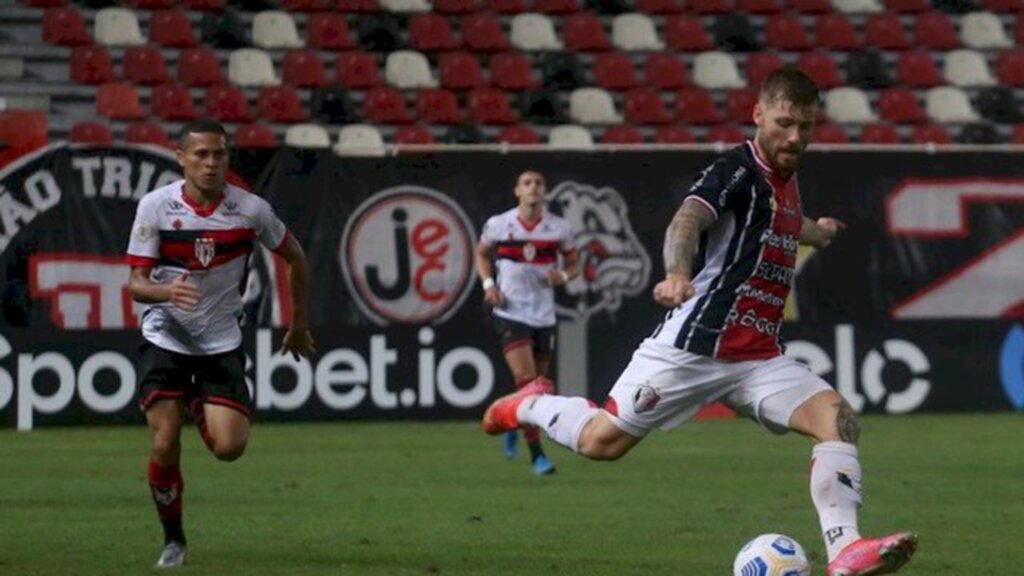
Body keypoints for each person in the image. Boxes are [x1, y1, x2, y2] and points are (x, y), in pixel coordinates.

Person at [481, 70, 917, 576]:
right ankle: (528, 403)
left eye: (805, 125)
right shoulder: (735, 170)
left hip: (757, 357)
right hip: (693, 347)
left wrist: (817, 233)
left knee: (837, 419)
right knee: (601, 443)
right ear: (758, 115)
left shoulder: (786, 178)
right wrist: (676, 273)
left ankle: (845, 550)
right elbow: (687, 220)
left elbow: (782, 222)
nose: (795, 136)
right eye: (783, 123)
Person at [126, 119, 316, 568]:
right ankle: (173, 539)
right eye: (201, 155)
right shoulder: (155, 207)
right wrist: (165, 291)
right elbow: (136, 283)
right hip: (166, 337)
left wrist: (298, 322)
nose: (211, 163)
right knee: (164, 442)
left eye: (219, 154)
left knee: (230, 448)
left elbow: (296, 256)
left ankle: (197, 403)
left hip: (220, 342)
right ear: (182, 159)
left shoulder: (250, 210)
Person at [475, 170, 579, 476]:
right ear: (517, 191)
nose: (533, 188)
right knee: (528, 384)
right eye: (527, 183)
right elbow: (481, 254)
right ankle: (537, 457)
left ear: (544, 191)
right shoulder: (499, 224)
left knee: (537, 387)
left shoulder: (558, 228)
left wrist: (561, 275)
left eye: (538, 183)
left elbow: (574, 264)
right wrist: (488, 285)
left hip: (543, 315)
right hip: (510, 312)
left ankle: (513, 422)